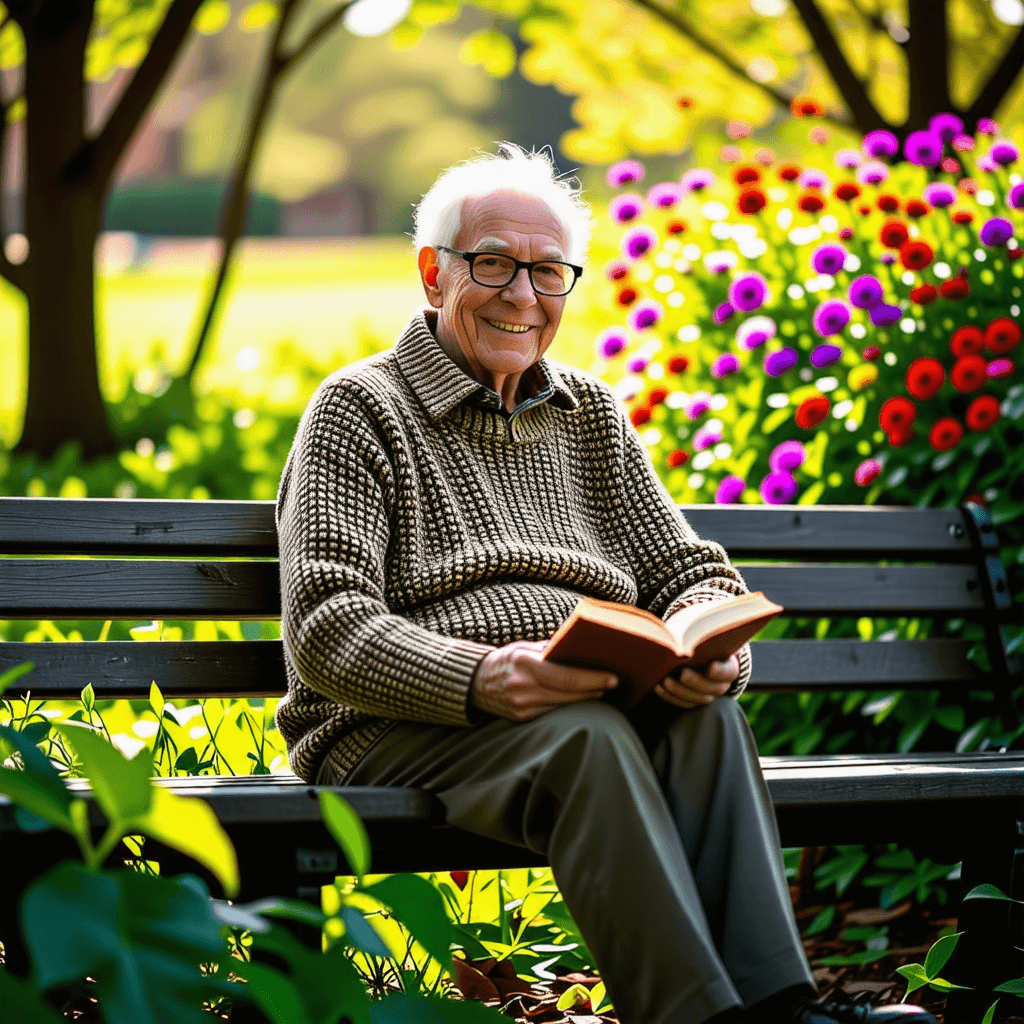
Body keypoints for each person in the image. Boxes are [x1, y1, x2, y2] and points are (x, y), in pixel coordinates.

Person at [275, 144, 937, 1024]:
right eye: (495, 264)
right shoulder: (360, 409)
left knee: (703, 716)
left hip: (575, 704)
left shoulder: (588, 414)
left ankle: (780, 1008)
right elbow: (326, 625)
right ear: (434, 273)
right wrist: (484, 677)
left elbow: (692, 570)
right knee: (586, 736)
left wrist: (705, 642)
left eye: (548, 272)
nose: (523, 296)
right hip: (395, 726)